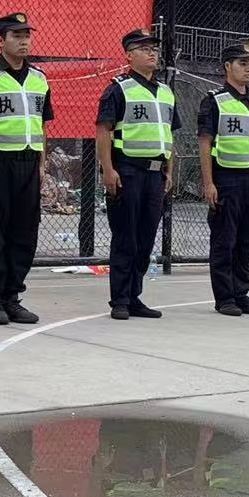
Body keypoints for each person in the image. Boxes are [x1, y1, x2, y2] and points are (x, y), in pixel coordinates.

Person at [0, 11, 53, 326]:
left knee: (24, 233)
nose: (23, 40)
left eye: (27, 35)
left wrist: (41, 163)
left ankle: (12, 297)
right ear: (1, 41)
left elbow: (41, 124)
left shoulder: (39, 78)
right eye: (16, 35)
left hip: (28, 164)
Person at [95, 30, 178, 322]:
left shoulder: (166, 92)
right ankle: (119, 299)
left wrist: (169, 170)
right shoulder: (118, 89)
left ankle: (134, 296)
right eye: (144, 49)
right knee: (125, 237)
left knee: (145, 238)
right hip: (127, 171)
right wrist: (108, 169)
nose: (152, 53)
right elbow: (103, 130)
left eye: (154, 48)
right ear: (129, 55)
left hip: (155, 175)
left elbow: (168, 134)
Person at [198, 42, 249, 318]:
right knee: (225, 240)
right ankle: (225, 298)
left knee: (247, 240)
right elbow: (205, 144)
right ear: (227, 66)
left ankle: (241, 293)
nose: (248, 69)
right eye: (242, 63)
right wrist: (208, 183)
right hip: (227, 178)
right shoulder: (215, 101)